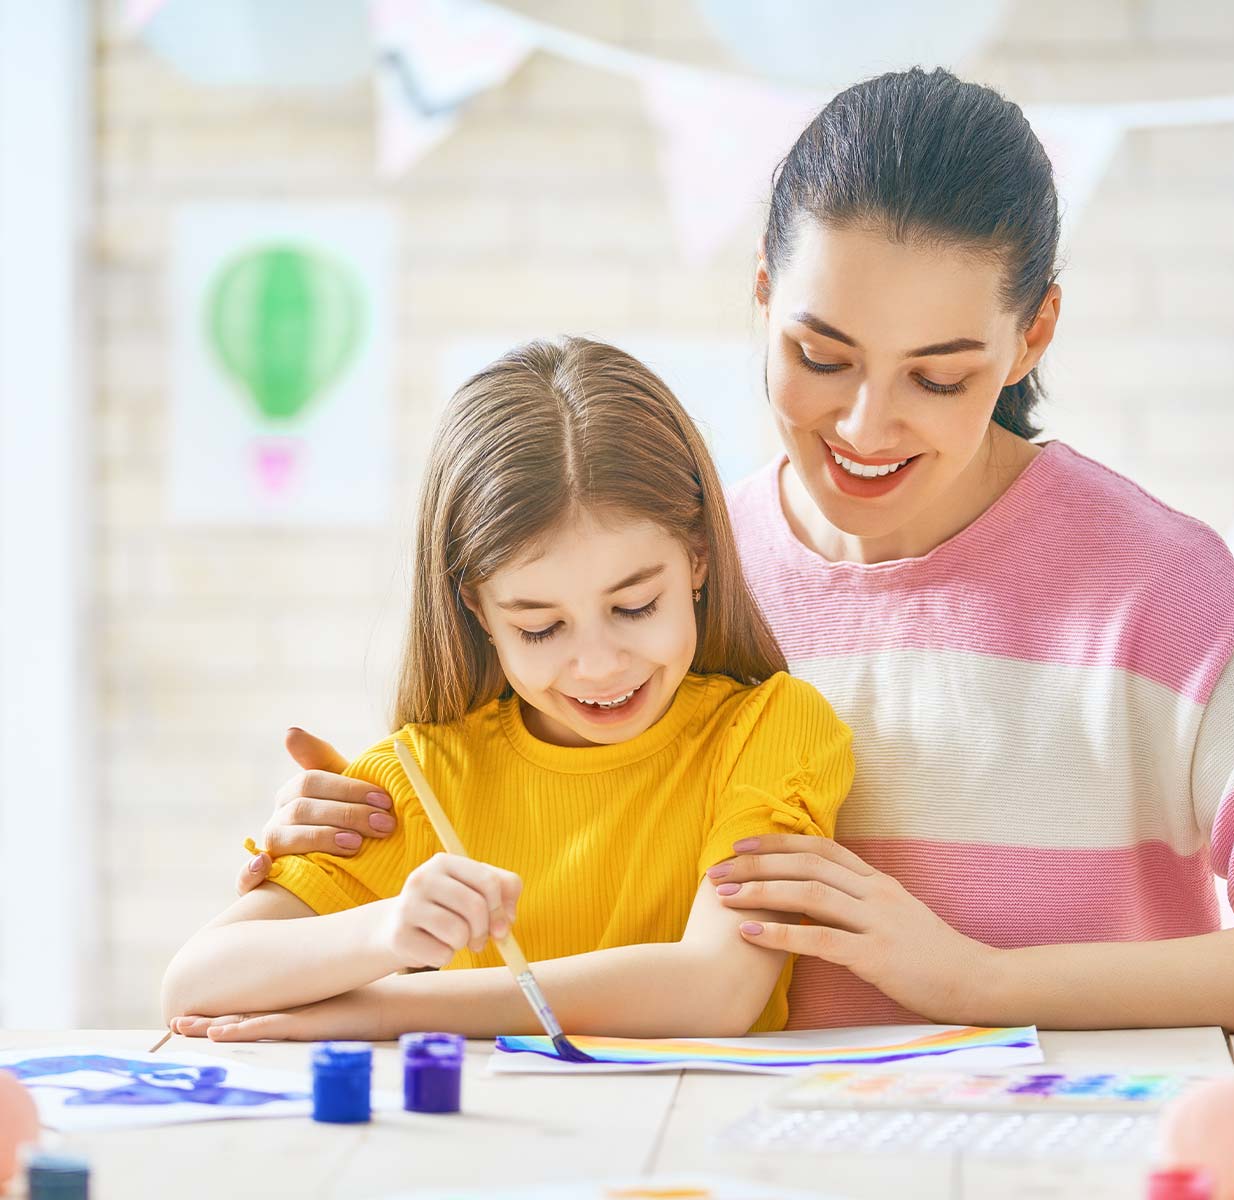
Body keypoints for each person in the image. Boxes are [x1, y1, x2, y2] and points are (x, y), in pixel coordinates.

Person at [241, 69, 1234, 1036]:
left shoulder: (1151, 588)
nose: (865, 428)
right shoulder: (667, 577)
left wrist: (981, 983)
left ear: (1032, 336)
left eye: (939, 375)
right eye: (821, 356)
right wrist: (364, 838)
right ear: (761, 300)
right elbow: (545, 831)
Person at [162, 338, 853, 1042]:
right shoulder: (423, 778)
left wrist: (376, 1011)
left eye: (635, 607)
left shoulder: (771, 730)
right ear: (479, 612)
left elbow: (716, 991)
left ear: (699, 558)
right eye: (541, 627)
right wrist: (385, 933)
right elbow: (197, 982)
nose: (597, 666)